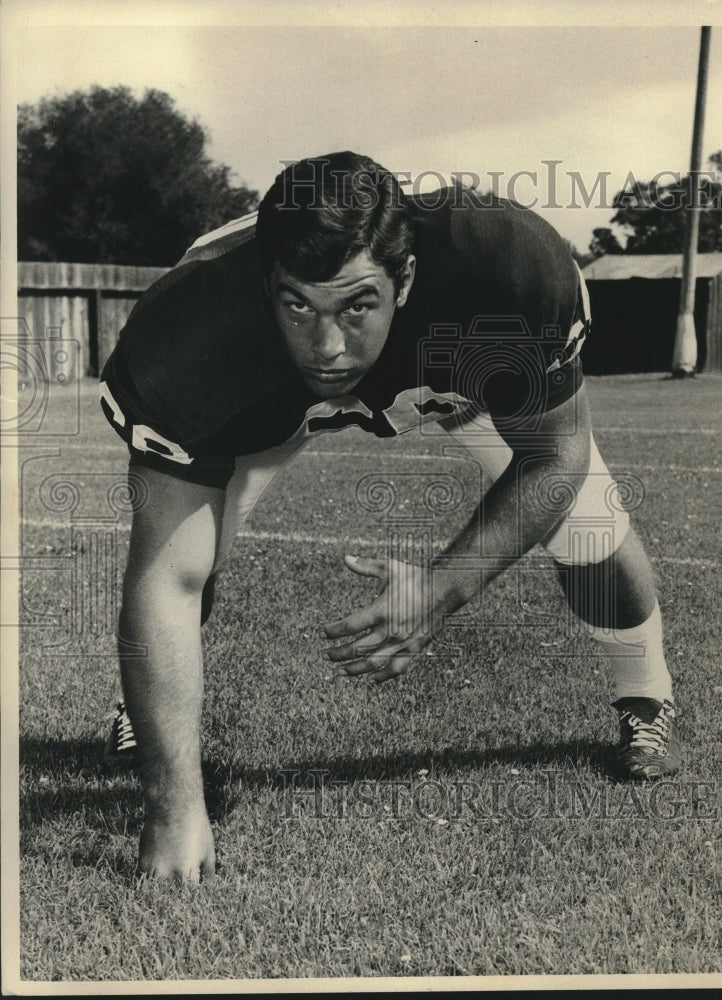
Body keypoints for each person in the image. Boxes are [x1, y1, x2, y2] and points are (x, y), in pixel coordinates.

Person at [100, 152, 682, 881]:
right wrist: (172, 808)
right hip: (267, 395)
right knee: (194, 554)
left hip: (452, 370)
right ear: (264, 285)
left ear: (404, 279)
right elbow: (165, 579)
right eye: (298, 305)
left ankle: (646, 696)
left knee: (590, 526)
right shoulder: (191, 335)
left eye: (356, 305)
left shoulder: (502, 272)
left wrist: (443, 588)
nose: (329, 346)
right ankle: (146, 717)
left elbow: (554, 459)